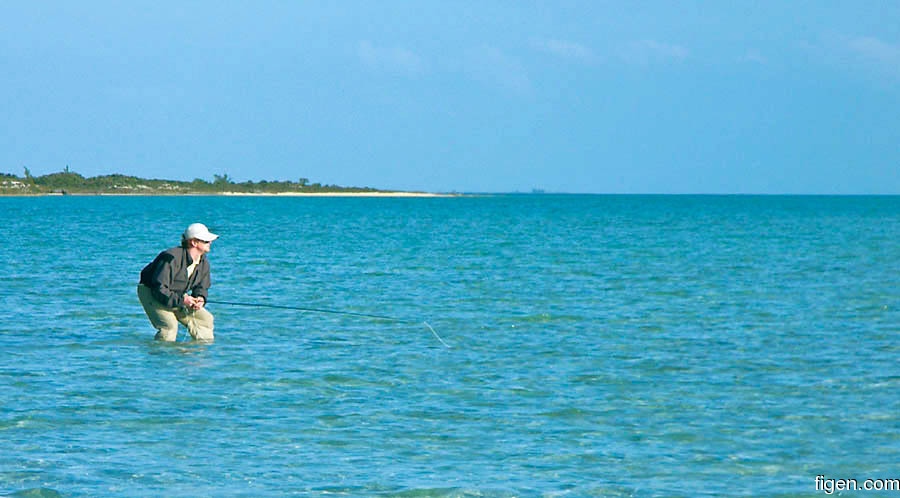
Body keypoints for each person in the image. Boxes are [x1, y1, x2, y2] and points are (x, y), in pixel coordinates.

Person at [138, 223, 218, 342]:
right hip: (151, 291)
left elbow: (202, 286)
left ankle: (197, 356)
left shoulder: (203, 262)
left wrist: (200, 298)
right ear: (194, 243)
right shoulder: (171, 258)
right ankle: (162, 357)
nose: (210, 243)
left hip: (175, 294)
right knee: (169, 327)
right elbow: (159, 288)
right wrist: (182, 301)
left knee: (205, 319)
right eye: (206, 241)